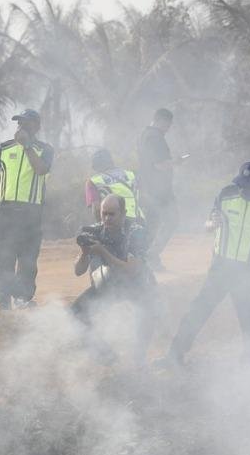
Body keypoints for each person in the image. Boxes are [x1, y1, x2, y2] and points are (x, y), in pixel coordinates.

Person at [168, 162, 250, 362]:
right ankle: (174, 355)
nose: (244, 190)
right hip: (221, 267)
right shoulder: (226, 194)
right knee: (199, 309)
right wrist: (211, 224)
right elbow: (208, 224)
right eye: (242, 185)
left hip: (249, 271)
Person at [0, 109, 54, 310]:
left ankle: (23, 298)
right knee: (4, 256)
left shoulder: (45, 149)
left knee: (28, 258)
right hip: (7, 211)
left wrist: (27, 147)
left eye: (27, 123)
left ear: (37, 127)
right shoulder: (5, 148)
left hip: (31, 212)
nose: (22, 127)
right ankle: (3, 300)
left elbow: (41, 170)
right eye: (19, 123)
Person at [70, 194, 155, 363]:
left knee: (148, 314)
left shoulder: (136, 232)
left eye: (112, 214)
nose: (107, 218)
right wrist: (85, 253)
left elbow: (132, 270)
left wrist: (102, 252)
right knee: (75, 315)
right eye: (104, 213)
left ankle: (139, 358)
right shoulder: (94, 231)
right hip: (108, 284)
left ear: (123, 213)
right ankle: (106, 356)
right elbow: (78, 271)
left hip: (137, 284)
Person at [137, 108, 178, 270]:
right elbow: (160, 164)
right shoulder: (156, 137)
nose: (168, 128)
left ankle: (145, 259)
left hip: (148, 187)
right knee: (171, 220)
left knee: (152, 224)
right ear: (162, 121)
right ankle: (150, 257)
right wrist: (176, 162)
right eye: (168, 124)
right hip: (159, 190)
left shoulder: (143, 135)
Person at [86, 149, 142, 224]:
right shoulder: (130, 174)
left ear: (95, 166)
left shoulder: (93, 181)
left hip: (117, 225)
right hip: (139, 220)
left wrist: (102, 227)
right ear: (111, 162)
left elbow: (96, 209)